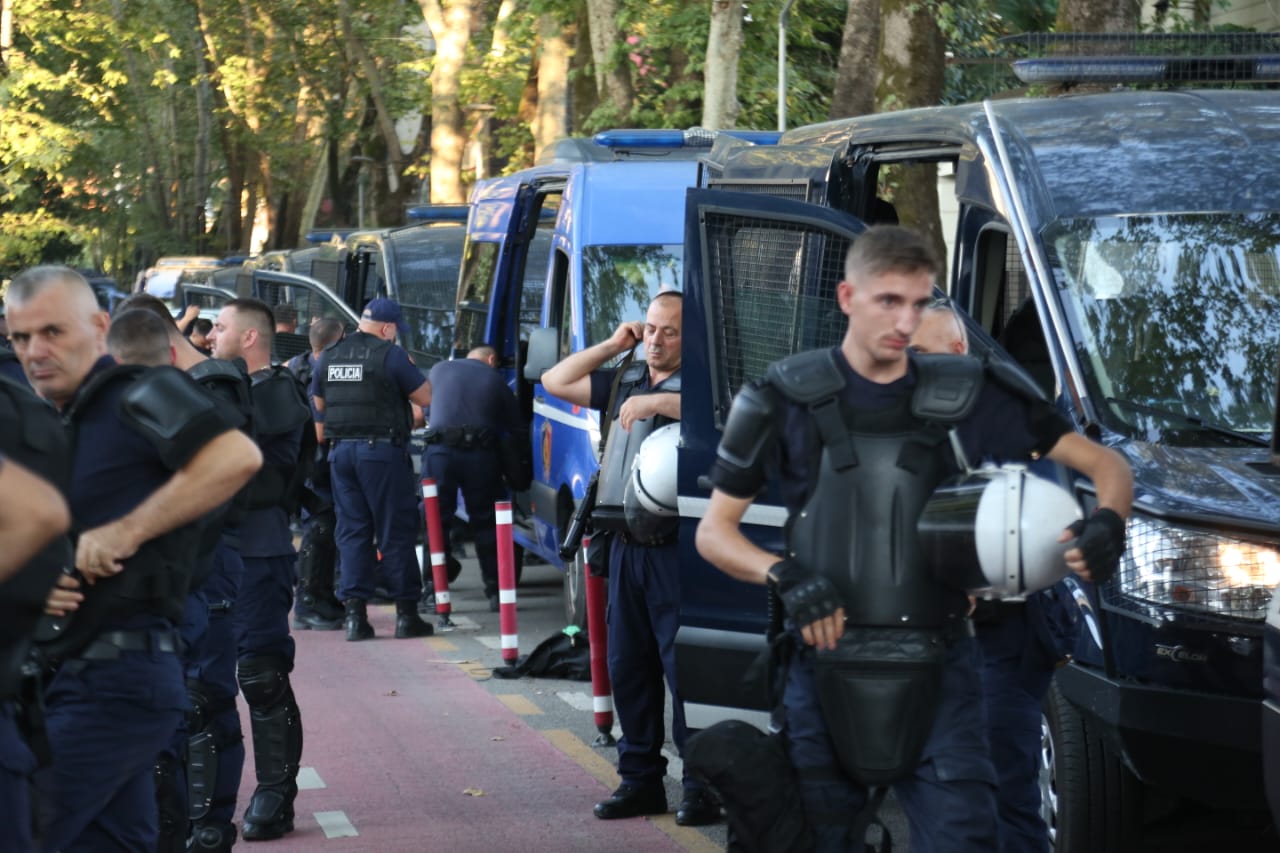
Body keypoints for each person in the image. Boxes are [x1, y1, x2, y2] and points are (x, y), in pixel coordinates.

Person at [694, 226, 1133, 852]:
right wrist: (783, 575)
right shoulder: (779, 397)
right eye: (889, 301)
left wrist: (1107, 522)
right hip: (823, 666)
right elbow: (715, 533)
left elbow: (1109, 468)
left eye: (919, 303)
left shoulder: (974, 394)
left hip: (943, 668)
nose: (905, 321)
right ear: (847, 296)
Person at [6, 265, 262, 852]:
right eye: (21, 338)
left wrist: (126, 532)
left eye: (52, 332)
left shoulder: (139, 391)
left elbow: (234, 458)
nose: (35, 351)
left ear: (99, 327)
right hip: (71, 676)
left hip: (116, 682)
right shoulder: (59, 421)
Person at [541, 290, 718, 827]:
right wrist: (614, 343)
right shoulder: (626, 377)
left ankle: (701, 786)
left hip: (674, 552)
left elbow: (722, 416)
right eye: (651, 329)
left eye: (670, 331)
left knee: (683, 672)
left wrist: (658, 403)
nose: (656, 340)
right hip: (623, 548)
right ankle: (640, 781)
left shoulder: (704, 387)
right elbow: (555, 380)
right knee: (630, 669)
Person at [910, 299, 1080, 853]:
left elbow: (1039, 529)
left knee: (1003, 802)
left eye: (919, 354)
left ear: (958, 352)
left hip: (999, 638)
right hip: (935, 642)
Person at [113, 291, 257, 851]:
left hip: (207, 568)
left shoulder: (212, 396)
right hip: (177, 576)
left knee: (204, 701)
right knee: (171, 718)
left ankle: (212, 827)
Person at [208, 297, 317, 840]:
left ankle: (276, 792)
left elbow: (252, 467)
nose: (209, 335)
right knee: (202, 684)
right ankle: (205, 805)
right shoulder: (219, 389)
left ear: (250, 338)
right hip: (209, 551)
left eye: (220, 327)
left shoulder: (274, 392)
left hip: (257, 549)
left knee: (260, 674)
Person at [311, 298, 435, 641]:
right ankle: (407, 616)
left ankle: (355, 619)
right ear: (387, 328)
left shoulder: (330, 356)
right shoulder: (390, 355)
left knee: (352, 532)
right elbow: (426, 399)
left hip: (341, 455)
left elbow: (318, 407)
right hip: (380, 453)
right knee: (395, 530)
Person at [422, 345, 524, 612]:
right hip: (479, 456)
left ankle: (433, 590)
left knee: (435, 521)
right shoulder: (495, 379)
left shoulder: (438, 369)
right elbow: (515, 427)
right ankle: (495, 592)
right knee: (486, 523)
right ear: (491, 360)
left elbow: (427, 413)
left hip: (439, 454)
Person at [285, 317, 347, 630]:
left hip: (305, 458)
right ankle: (308, 600)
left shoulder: (292, 366)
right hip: (320, 459)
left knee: (326, 526)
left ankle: (320, 595)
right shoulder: (329, 369)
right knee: (320, 528)